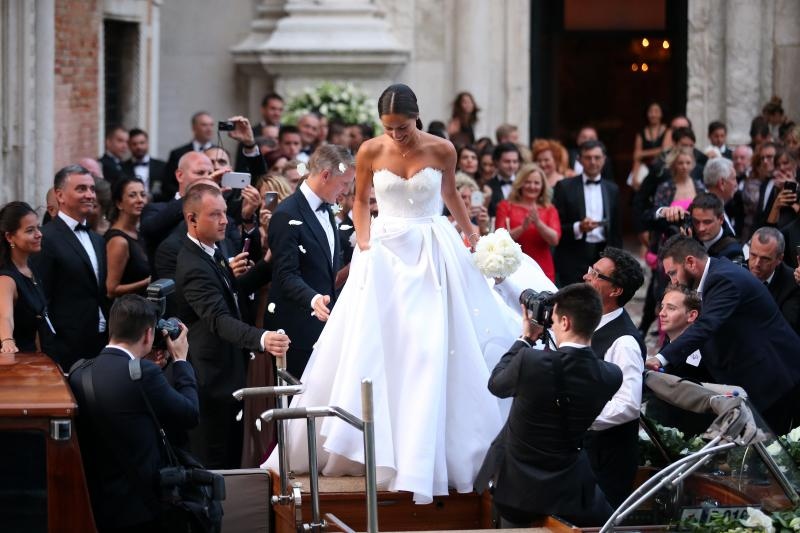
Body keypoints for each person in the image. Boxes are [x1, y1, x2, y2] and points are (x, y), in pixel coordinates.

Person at [264, 83, 555, 504]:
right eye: (389, 128)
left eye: (402, 127)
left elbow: (450, 193)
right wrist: (364, 243)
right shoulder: (368, 151)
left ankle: (431, 452)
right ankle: (370, 448)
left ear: (416, 117)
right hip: (383, 252)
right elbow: (360, 201)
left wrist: (472, 235)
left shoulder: (442, 149)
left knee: (431, 346)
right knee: (377, 347)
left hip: (432, 248)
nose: (396, 135)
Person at [475, 283, 623, 528]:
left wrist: (525, 338)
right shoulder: (610, 375)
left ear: (564, 322)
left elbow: (496, 385)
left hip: (517, 492)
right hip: (567, 492)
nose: (552, 326)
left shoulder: (530, 360)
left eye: (554, 321)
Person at [175, 182, 289, 468]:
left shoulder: (215, 247)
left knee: (231, 451)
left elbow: (232, 290)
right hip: (211, 379)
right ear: (192, 219)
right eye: (215, 215)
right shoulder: (193, 266)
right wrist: (262, 338)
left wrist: (266, 264)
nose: (225, 220)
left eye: (225, 213)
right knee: (215, 457)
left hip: (228, 371)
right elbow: (218, 319)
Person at [68, 294, 199, 532]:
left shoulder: (79, 371)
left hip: (97, 505)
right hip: (142, 509)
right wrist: (181, 361)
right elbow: (190, 414)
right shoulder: (145, 375)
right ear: (149, 334)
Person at [646, 235, 800, 434]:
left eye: (673, 273)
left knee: (776, 454)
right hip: (757, 381)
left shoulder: (723, 279)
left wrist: (660, 359)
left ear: (691, 262)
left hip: (776, 381)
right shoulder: (716, 276)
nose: (673, 281)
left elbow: (705, 326)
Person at [264, 145, 354, 378]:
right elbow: (285, 275)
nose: (346, 191)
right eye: (344, 183)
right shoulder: (286, 214)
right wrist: (313, 299)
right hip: (296, 333)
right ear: (325, 175)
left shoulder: (329, 209)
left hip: (325, 330)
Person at [582, 248, 645, 508]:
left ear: (616, 291)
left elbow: (628, 405)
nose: (586, 277)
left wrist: (579, 418)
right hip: (582, 453)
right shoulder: (587, 320)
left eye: (596, 275)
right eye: (590, 269)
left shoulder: (625, 342)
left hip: (606, 460)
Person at [32, 165, 109, 370]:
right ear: (60, 195)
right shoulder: (46, 238)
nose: (89, 195)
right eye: (81, 189)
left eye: (92, 189)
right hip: (64, 348)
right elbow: (41, 300)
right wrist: (50, 350)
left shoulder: (97, 240)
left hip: (100, 341)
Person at [553, 140, 622, 285]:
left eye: (597, 158)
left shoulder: (612, 189)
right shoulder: (564, 187)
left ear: (604, 160)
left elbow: (616, 229)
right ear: (579, 160)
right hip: (573, 255)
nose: (593, 162)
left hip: (604, 254)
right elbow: (557, 225)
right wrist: (579, 227)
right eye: (588, 157)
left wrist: (617, 261)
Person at [495, 163, 561, 281]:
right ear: (520, 184)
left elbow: (554, 239)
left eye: (536, 183)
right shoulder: (505, 206)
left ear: (542, 186)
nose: (532, 186)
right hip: (513, 269)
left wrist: (538, 223)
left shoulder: (549, 209)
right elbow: (499, 239)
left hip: (542, 268)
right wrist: (522, 228)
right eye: (528, 182)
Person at [0, 202, 49, 353]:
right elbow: (4, 316)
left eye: (38, 227)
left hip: (35, 360)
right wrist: (7, 340)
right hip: (16, 365)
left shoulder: (31, 267)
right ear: (9, 237)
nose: (39, 234)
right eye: (30, 230)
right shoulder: (6, 279)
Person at [748, 227, 800, 334]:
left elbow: (784, 328)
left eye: (765, 259)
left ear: (779, 259)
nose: (756, 264)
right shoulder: (739, 271)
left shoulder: (793, 283)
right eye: (753, 255)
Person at [105, 177, 151, 298]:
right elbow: (111, 290)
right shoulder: (118, 241)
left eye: (143, 194)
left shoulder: (139, 233)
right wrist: (148, 282)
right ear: (119, 203)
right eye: (132, 195)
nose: (140, 200)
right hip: (127, 312)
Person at [163, 111, 216, 200]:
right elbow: (167, 184)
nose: (209, 129)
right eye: (204, 125)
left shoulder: (220, 154)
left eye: (211, 125)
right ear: (194, 128)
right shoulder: (177, 154)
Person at [688, 193, 743, 262]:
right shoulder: (689, 236)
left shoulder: (733, 252)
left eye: (707, 222)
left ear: (721, 219)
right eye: (696, 222)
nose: (700, 228)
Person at [630, 103, 672, 191]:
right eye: (651, 111)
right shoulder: (641, 133)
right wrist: (635, 175)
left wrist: (643, 153)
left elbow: (665, 150)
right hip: (645, 170)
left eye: (656, 111)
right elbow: (636, 157)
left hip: (662, 170)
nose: (653, 115)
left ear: (661, 114)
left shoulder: (668, 130)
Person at [123, 128, 167, 201]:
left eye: (142, 143)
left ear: (147, 143)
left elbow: (167, 191)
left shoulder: (162, 166)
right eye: (134, 144)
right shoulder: (122, 167)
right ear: (129, 145)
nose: (139, 147)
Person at [486, 142, 521, 217]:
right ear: (496, 162)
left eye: (515, 162)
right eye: (507, 162)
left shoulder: (524, 185)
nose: (511, 166)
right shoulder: (487, 186)